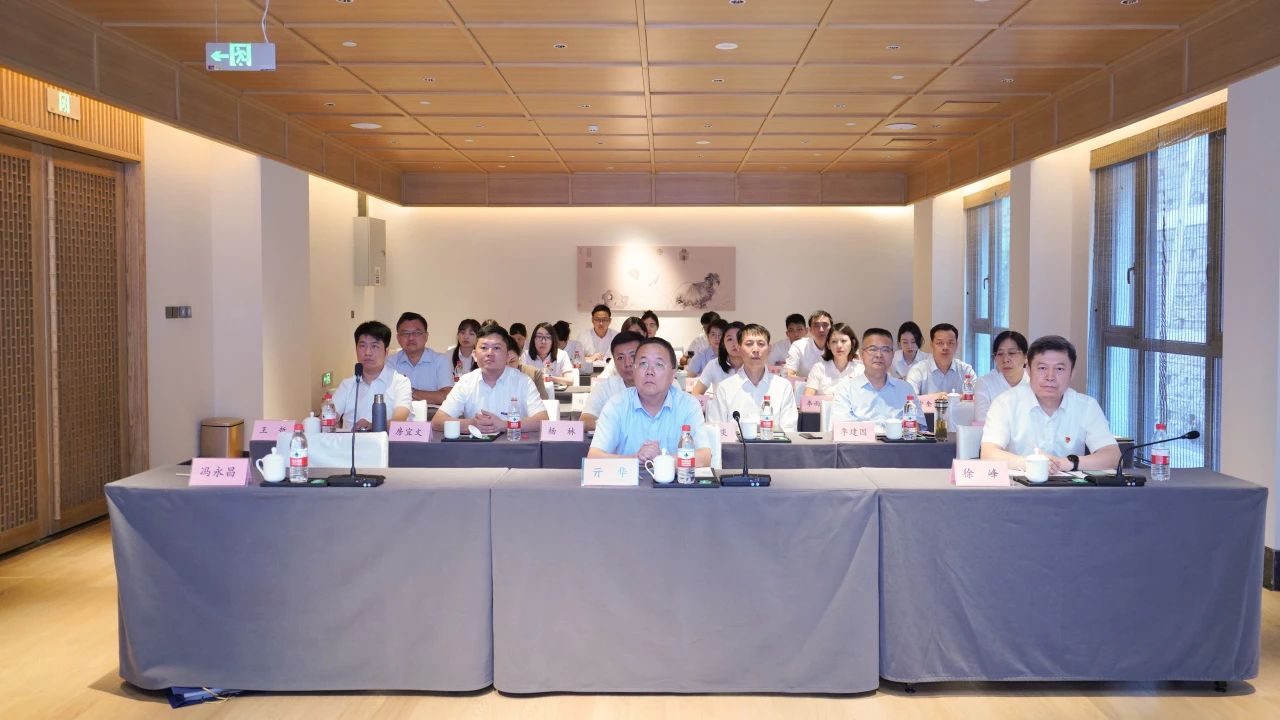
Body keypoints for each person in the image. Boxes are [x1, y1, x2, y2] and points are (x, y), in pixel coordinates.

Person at [981, 335, 1120, 473]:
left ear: (1072, 373)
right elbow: (988, 453)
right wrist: (1027, 463)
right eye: (1042, 368)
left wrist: (1068, 463)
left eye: (1059, 369)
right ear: (1028, 370)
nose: (1050, 377)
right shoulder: (1005, 403)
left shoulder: (1087, 406)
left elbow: (1113, 456)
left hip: (1071, 486)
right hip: (1019, 484)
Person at [588, 337, 711, 465]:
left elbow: (704, 457)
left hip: (673, 478)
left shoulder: (688, 405)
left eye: (659, 364)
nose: (649, 372)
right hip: (628, 477)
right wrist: (635, 459)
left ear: (672, 374)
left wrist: (663, 460)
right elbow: (594, 457)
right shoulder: (617, 405)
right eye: (643, 364)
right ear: (634, 370)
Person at [434, 324, 548, 434]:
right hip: (476, 446)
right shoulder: (466, 382)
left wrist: (504, 425)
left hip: (512, 444)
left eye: (496, 348)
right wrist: (471, 424)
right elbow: (437, 421)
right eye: (484, 348)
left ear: (507, 356)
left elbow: (542, 420)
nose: (490, 353)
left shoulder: (523, 382)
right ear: (474, 355)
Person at [708, 324, 798, 433]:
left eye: (761, 344)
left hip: (773, 443)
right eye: (749, 344)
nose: (755, 349)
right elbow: (716, 429)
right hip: (735, 444)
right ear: (739, 348)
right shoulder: (724, 388)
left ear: (769, 349)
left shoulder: (783, 386)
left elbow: (789, 429)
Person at [332, 320, 413, 430]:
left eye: (374, 346)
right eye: (362, 346)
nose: (367, 353)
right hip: (351, 441)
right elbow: (330, 416)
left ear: (386, 352)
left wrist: (372, 426)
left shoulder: (400, 382)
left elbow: (399, 420)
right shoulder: (347, 385)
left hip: (387, 441)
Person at [831, 327, 914, 422]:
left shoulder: (906, 389)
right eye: (872, 349)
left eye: (885, 350)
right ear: (861, 354)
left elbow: (916, 426)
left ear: (892, 355)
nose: (879, 355)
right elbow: (842, 427)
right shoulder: (845, 391)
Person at [581, 331, 643, 431]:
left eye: (633, 356)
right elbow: (585, 421)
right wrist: (618, 426)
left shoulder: (661, 387)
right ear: (614, 361)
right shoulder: (604, 387)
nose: (627, 363)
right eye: (620, 358)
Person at [388, 312, 453, 405]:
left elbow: (446, 397)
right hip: (399, 413)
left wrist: (411, 391)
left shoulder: (441, 360)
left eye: (417, 333)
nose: (411, 338)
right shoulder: (390, 362)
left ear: (426, 336)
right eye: (405, 333)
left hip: (433, 413)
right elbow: (387, 395)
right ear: (398, 338)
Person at [905, 323, 974, 397]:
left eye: (950, 343)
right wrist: (934, 398)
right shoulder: (918, 370)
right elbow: (909, 399)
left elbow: (979, 396)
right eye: (940, 343)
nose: (945, 347)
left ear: (956, 345)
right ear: (931, 344)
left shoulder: (966, 370)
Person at [974, 330, 1030, 423]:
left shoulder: (1035, 382)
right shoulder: (985, 383)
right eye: (1000, 354)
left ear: (1026, 357)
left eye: (1012, 353)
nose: (1005, 359)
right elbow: (982, 420)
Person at [805, 322, 864, 396]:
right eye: (834, 342)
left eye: (843, 341)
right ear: (828, 345)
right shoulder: (819, 368)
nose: (839, 345)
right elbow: (808, 398)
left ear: (852, 343)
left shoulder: (860, 369)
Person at [692, 320, 744, 396]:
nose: (735, 343)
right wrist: (709, 403)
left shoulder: (755, 366)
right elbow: (696, 393)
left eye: (739, 339)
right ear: (723, 344)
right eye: (730, 339)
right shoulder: (714, 365)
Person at [785, 309, 833, 379]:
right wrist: (812, 383)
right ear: (810, 330)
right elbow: (789, 374)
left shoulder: (839, 346)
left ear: (832, 328)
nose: (821, 330)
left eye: (825, 325)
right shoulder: (798, 345)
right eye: (816, 326)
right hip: (805, 384)